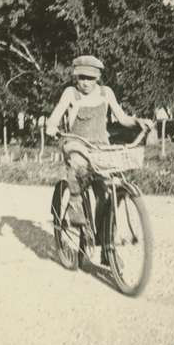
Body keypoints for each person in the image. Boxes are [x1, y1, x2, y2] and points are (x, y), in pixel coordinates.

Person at [45, 55, 150, 232]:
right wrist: (52, 127)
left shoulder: (106, 93)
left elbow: (123, 118)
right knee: (77, 167)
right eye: (81, 78)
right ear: (75, 77)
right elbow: (54, 117)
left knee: (106, 192)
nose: (85, 83)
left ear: (98, 78)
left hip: (100, 146)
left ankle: (104, 239)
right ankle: (75, 206)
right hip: (76, 143)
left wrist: (138, 122)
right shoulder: (71, 93)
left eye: (90, 78)